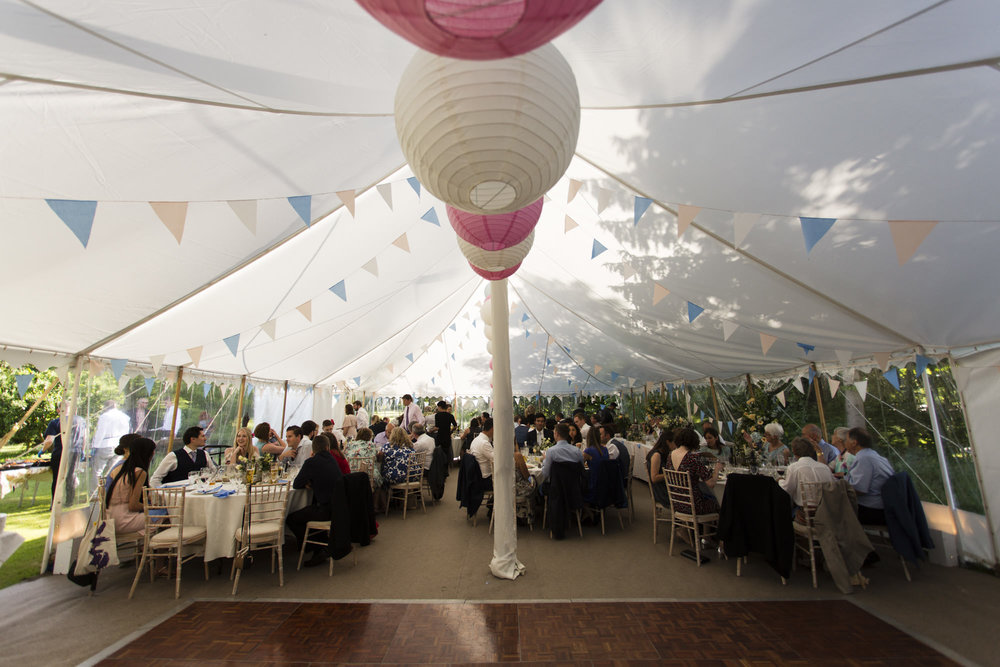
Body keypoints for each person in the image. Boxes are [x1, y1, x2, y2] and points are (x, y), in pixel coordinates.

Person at [286, 433, 344, 567]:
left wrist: (308, 481)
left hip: (325, 510)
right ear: (328, 447)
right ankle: (318, 542)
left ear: (314, 448)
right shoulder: (332, 459)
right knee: (308, 511)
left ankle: (315, 546)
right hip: (338, 506)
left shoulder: (312, 462)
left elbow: (296, 484)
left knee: (292, 519)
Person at [105, 437, 156, 535]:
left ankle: (147, 542)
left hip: (110, 517)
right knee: (166, 513)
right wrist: (152, 507)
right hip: (123, 519)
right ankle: (150, 544)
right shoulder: (139, 472)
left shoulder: (122, 468)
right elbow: (133, 505)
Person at [40, 401, 88, 505]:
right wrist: (82, 451)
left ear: (58, 410)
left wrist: (42, 450)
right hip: (75, 452)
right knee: (71, 477)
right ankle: (69, 502)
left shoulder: (55, 422)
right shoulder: (81, 420)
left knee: (57, 478)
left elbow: (49, 440)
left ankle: (55, 503)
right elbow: (84, 438)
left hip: (60, 453)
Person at [667, 428, 723, 515]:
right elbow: (711, 483)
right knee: (721, 503)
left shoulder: (670, 455)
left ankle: (699, 528)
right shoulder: (692, 458)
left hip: (677, 504)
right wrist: (717, 469)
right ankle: (721, 528)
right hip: (694, 506)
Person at [845, 427, 894, 525]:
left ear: (854, 443)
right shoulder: (874, 455)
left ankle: (849, 540)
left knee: (832, 510)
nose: (844, 443)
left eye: (846, 440)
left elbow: (859, 490)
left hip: (873, 510)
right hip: (884, 506)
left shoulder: (864, 459)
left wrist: (839, 487)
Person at [779, 437, 835, 512]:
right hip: (828, 511)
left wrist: (780, 480)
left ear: (794, 452)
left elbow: (786, 489)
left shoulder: (794, 467)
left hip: (806, 514)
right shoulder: (825, 468)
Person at [150, 426, 216, 486]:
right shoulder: (173, 456)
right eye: (202, 436)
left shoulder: (204, 454)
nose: (205, 438)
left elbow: (215, 473)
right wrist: (161, 494)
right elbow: (155, 478)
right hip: (178, 495)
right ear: (193, 439)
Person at [89, 399, 131, 493]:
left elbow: (101, 432)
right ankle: (111, 492)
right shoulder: (124, 417)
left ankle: (95, 493)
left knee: (98, 471)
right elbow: (126, 432)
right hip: (119, 444)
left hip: (105, 444)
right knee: (113, 470)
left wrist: (95, 446)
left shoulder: (105, 416)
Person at [646, 428, 676, 507]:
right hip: (661, 492)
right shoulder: (656, 455)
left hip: (662, 488)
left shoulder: (662, 453)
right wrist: (671, 474)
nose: (676, 446)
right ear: (668, 442)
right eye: (674, 443)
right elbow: (654, 478)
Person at [469, 418, 495, 488]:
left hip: (477, 476)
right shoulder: (484, 443)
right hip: (484, 479)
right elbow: (497, 460)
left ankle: (493, 499)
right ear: (492, 429)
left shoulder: (476, 439)